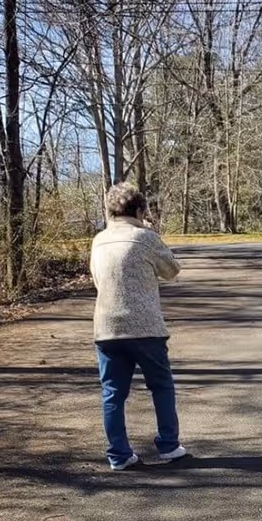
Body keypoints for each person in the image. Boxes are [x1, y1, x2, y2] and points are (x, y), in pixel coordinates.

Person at [89, 182, 187, 470]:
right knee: (161, 386)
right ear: (140, 210)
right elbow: (172, 270)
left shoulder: (98, 240)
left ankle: (118, 454)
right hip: (145, 326)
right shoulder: (145, 237)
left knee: (113, 393)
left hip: (106, 327)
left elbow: (97, 280)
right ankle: (168, 445)